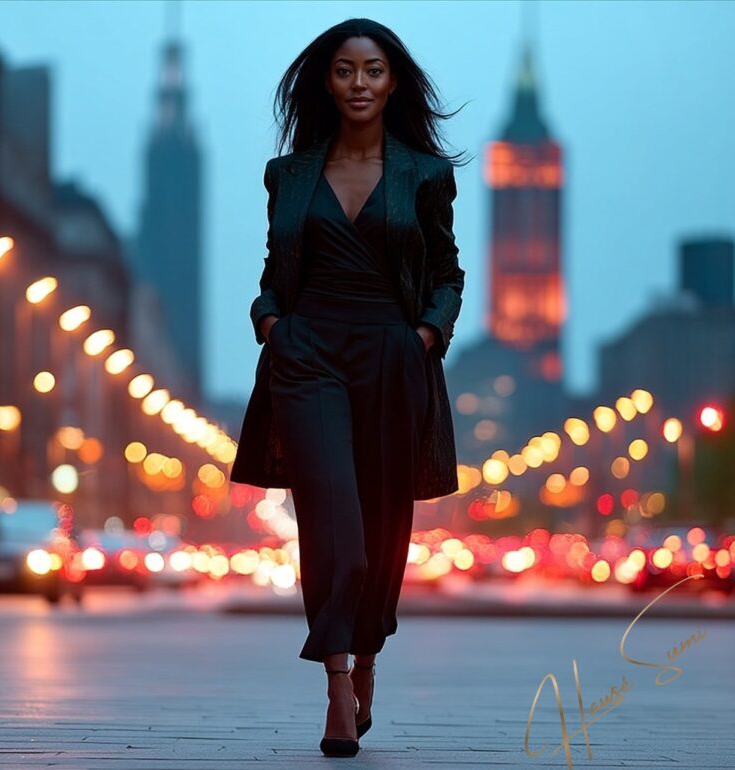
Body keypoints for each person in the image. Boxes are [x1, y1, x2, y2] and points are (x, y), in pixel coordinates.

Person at [229, 17, 469, 758]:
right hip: (307, 359)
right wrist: (272, 322)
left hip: (393, 360)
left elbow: (446, 273)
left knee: (382, 528)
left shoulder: (424, 174)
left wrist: (426, 334)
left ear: (393, 81)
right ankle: (337, 686)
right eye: (343, 70)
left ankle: (368, 659)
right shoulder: (290, 175)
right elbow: (275, 273)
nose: (358, 83)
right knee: (335, 527)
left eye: (372, 70)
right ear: (325, 82)